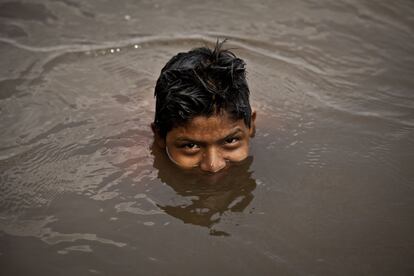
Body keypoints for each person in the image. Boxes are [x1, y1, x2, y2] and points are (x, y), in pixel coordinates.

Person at [151, 40, 256, 173]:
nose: (213, 166)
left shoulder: (265, 123)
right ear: (159, 136)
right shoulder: (136, 165)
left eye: (230, 140)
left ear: (251, 125)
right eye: (190, 145)